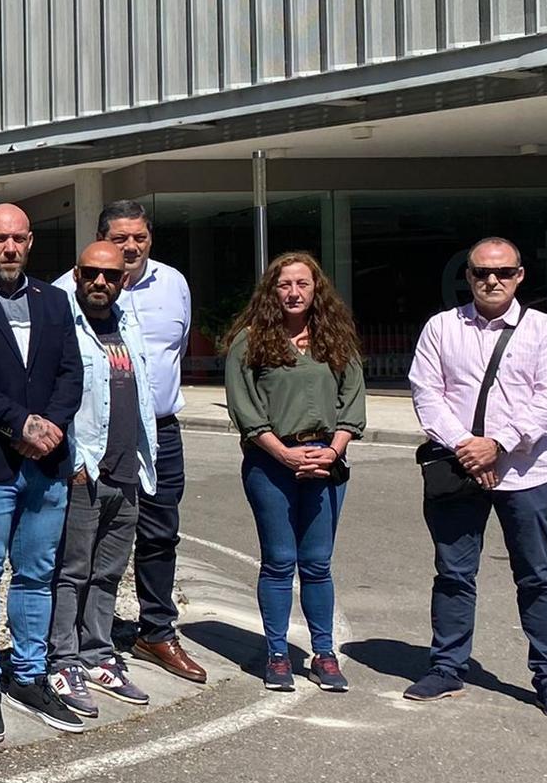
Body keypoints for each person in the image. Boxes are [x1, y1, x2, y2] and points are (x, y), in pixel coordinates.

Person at [404, 238, 547, 721]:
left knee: (537, 577)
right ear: (469, 276)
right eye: (481, 272)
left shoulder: (545, 331)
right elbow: (426, 393)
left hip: (529, 475)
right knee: (454, 575)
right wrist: (469, 447)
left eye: (502, 272)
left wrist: (497, 444)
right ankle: (446, 667)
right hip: (459, 473)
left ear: (520, 275)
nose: (492, 281)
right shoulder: (441, 328)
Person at [0, 203, 86, 741]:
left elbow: (71, 373)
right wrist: (18, 425)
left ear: (31, 242)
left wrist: (49, 424)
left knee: (36, 572)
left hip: (47, 463)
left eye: (19, 239)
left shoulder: (54, 301)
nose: (10, 248)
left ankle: (29, 674)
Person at [54, 202, 205, 685]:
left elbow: (168, 357)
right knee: (77, 553)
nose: (131, 246)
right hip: (88, 441)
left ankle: (155, 631)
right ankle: (66, 650)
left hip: (153, 433)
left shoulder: (173, 284)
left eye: (139, 237)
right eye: (120, 238)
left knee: (158, 536)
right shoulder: (65, 294)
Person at [222, 252, 366, 692]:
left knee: (318, 564)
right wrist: (284, 454)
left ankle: (324, 654)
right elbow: (244, 408)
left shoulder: (335, 340)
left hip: (326, 462)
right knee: (280, 562)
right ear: (272, 291)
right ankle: (279, 655)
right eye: (285, 285)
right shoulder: (250, 342)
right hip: (272, 464)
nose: (294, 293)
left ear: (316, 289)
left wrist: (333, 450)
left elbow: (352, 401)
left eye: (303, 284)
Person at [48, 242, 159, 718]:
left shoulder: (127, 324)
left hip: (126, 469)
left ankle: (97, 653)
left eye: (110, 276)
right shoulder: (65, 326)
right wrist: (71, 459)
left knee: (109, 570)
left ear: (123, 280)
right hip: (84, 470)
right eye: (91, 273)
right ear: (77, 274)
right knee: (72, 571)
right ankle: (63, 658)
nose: (100, 282)